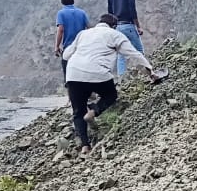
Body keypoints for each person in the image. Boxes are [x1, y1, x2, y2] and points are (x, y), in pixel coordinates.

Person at [61, 15, 160, 154]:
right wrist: (150, 70)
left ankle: (85, 146)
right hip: (98, 73)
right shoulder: (115, 35)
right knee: (111, 94)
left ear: (99, 23)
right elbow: (133, 54)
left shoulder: (83, 34)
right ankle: (94, 111)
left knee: (78, 111)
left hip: (73, 74)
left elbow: (66, 55)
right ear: (114, 26)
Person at [107, 0, 145, 75]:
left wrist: (112, 29)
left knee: (121, 54)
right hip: (128, 25)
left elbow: (110, 14)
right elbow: (132, 10)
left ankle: (121, 78)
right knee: (139, 50)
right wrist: (138, 26)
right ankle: (144, 71)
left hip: (117, 27)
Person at [54, 0, 90, 80]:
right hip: (81, 46)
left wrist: (57, 46)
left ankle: (70, 88)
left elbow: (61, 30)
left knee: (68, 70)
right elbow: (89, 28)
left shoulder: (61, 13)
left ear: (62, 2)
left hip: (68, 47)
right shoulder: (82, 13)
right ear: (73, 0)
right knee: (82, 70)